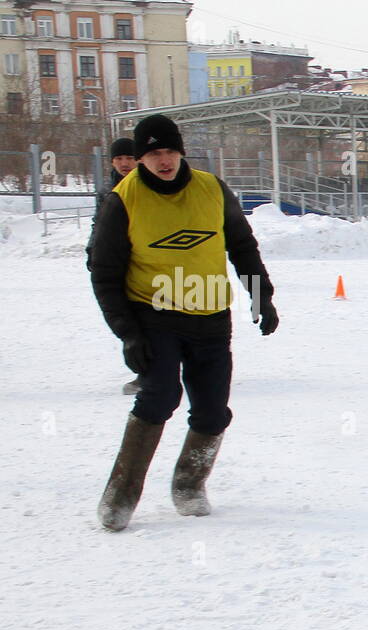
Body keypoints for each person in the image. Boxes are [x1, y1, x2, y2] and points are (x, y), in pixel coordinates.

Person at [89, 114, 279, 531]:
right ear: (140, 159)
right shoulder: (124, 199)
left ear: (181, 151)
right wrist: (128, 333)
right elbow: (104, 272)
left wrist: (260, 295)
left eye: (170, 151)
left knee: (213, 410)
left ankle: (189, 484)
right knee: (159, 396)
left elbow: (242, 246)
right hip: (153, 310)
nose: (163, 160)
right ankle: (120, 493)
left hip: (210, 313)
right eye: (153, 153)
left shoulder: (212, 189)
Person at [86, 138, 144, 394]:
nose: (124, 163)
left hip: (146, 259)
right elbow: (98, 224)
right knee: (127, 315)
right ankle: (144, 369)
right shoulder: (107, 189)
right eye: (119, 159)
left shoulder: (148, 185)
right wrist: (93, 251)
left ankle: (162, 368)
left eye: (129, 158)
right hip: (119, 260)